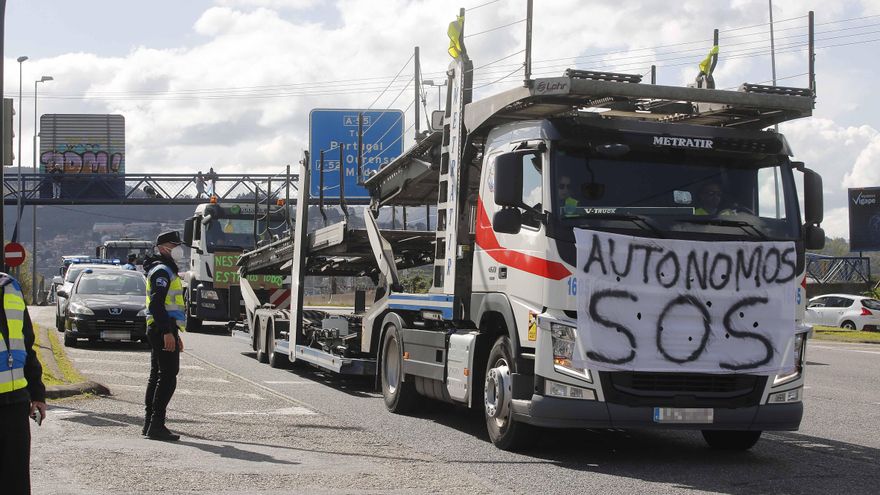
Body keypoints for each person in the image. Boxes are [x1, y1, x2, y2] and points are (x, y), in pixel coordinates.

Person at [0, 272, 47, 494]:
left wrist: (37, 394)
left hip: (16, 403)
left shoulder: (11, 287)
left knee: (16, 482)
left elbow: (26, 345)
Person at [142, 231, 187, 441]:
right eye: (173, 245)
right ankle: (156, 425)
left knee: (157, 375)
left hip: (162, 327)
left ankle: (149, 423)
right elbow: (156, 304)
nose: (177, 249)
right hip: (162, 328)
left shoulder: (164, 269)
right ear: (162, 248)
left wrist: (175, 333)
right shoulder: (162, 271)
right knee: (168, 376)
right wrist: (168, 331)